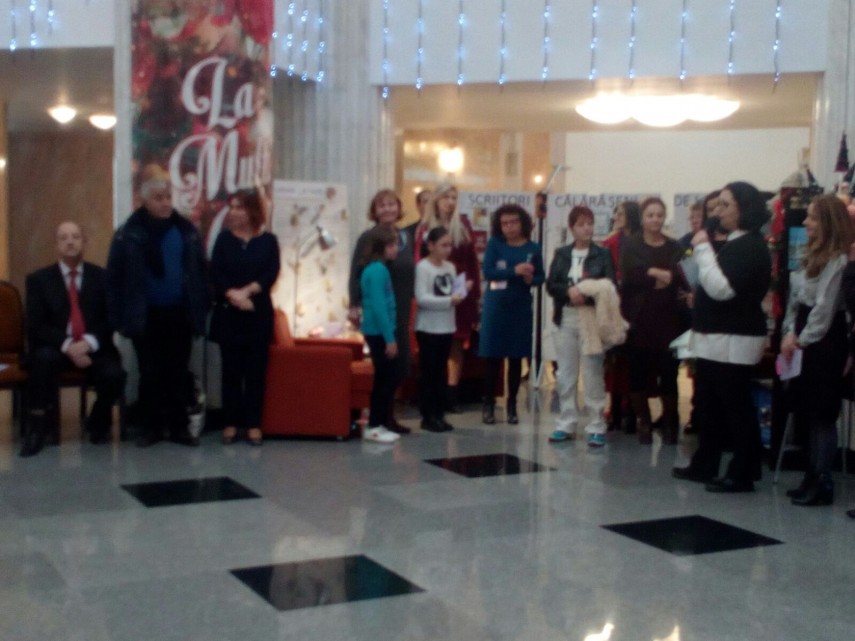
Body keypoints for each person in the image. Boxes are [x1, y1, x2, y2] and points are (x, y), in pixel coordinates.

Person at [672, 182, 772, 493]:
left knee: (735, 406)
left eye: (725, 205)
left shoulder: (750, 246)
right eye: (717, 205)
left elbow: (722, 289)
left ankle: (743, 471)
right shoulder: (733, 243)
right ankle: (706, 462)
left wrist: (703, 249)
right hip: (716, 335)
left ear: (744, 209)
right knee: (710, 404)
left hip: (735, 337)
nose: (717, 212)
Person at [106, 173, 209, 448]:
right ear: (145, 202)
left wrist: (200, 308)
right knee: (149, 373)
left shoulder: (186, 231)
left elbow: (200, 272)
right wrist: (118, 319)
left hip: (180, 313)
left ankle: (179, 427)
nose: (165, 203)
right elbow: (114, 277)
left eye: (168, 198)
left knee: (178, 371)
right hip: (145, 315)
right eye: (158, 198)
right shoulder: (129, 233)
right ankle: (150, 427)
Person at [19, 222, 126, 457]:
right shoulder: (39, 280)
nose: (70, 242)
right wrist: (69, 346)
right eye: (64, 238)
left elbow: (111, 318)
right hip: (56, 346)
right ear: (56, 245)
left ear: (84, 242)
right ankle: (38, 428)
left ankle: (98, 420)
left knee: (114, 374)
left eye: (76, 237)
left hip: (92, 344)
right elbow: (36, 325)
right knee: (42, 361)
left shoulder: (102, 277)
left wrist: (87, 343)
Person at [779, 194, 853, 505]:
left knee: (823, 411)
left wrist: (800, 340)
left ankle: (823, 479)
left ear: (828, 223)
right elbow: (795, 300)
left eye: (812, 217)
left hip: (825, 342)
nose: (806, 222)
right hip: (802, 334)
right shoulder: (808, 255)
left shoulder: (838, 261)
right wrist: (788, 332)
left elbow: (825, 309)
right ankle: (810, 473)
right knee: (807, 409)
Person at [209, 191, 280, 446]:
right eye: (232, 207)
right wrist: (234, 296)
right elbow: (216, 272)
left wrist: (249, 291)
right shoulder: (224, 240)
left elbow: (271, 272)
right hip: (230, 312)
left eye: (239, 207)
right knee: (230, 370)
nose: (234, 212)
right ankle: (230, 423)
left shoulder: (268, 241)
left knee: (255, 371)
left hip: (257, 312)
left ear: (252, 211)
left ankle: (253, 424)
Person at [620, 197, 689, 444]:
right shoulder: (632, 245)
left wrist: (650, 273)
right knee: (638, 371)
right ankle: (644, 422)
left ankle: (670, 422)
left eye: (659, 215)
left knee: (668, 371)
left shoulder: (674, 246)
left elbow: (680, 276)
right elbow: (631, 276)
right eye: (650, 215)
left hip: (669, 318)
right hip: (639, 319)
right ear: (642, 218)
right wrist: (655, 275)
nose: (655, 220)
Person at [546, 206, 617, 447]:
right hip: (566, 316)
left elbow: (610, 285)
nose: (587, 228)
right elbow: (551, 284)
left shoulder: (602, 254)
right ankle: (566, 422)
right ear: (572, 228)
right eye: (581, 224)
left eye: (590, 223)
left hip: (591, 318)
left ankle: (596, 424)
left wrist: (585, 294)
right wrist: (568, 292)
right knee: (565, 373)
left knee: (592, 372)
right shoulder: (562, 253)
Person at [348, 189, 415, 434]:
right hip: (380, 311)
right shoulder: (369, 237)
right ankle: (381, 420)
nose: (388, 209)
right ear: (375, 211)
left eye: (391, 204)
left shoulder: (406, 236)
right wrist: (354, 304)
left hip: (402, 308)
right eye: (382, 205)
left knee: (401, 366)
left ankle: (387, 417)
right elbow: (356, 272)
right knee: (388, 367)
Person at [415, 182, 481, 412]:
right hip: (434, 288)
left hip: (459, 286)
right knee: (435, 344)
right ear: (437, 200)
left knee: (457, 342)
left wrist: (473, 291)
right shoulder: (426, 227)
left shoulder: (462, 225)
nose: (450, 202)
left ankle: (452, 392)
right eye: (446, 197)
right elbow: (419, 260)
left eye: (454, 198)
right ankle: (433, 394)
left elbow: (471, 261)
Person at [479, 204, 544, 424]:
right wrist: (514, 271)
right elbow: (488, 271)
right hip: (496, 306)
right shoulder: (495, 244)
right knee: (492, 357)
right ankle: (488, 404)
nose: (509, 227)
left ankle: (512, 406)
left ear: (522, 222)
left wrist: (531, 279)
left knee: (516, 357)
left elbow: (541, 277)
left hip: (520, 306)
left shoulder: (533, 248)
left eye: (513, 222)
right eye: (504, 223)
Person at [415, 227, 468, 432]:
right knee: (429, 372)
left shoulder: (450, 267)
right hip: (428, 327)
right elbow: (422, 298)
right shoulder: (423, 268)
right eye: (443, 245)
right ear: (431, 246)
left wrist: (462, 291)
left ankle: (439, 413)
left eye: (449, 245)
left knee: (441, 372)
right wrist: (449, 301)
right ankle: (428, 415)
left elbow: (453, 292)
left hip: (447, 325)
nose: (448, 249)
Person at [360, 225, 404, 444]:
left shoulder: (375, 269)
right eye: (392, 244)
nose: (396, 248)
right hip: (379, 332)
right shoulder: (378, 271)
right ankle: (375, 424)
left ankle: (377, 423)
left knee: (385, 377)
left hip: (377, 330)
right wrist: (389, 338)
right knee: (387, 377)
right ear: (381, 247)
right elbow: (379, 306)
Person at [601, 200, 640, 431]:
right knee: (614, 361)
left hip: (636, 307)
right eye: (616, 213)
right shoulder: (610, 243)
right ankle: (614, 410)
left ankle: (632, 411)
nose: (617, 217)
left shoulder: (641, 241)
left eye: (622, 213)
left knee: (634, 362)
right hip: (614, 307)